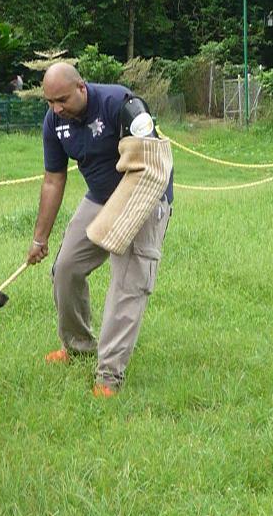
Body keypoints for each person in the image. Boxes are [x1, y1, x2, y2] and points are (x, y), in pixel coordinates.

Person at [26, 62, 173, 397]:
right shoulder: (55, 122)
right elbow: (53, 180)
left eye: (61, 99)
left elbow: (151, 162)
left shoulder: (119, 104)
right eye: (49, 102)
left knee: (127, 285)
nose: (56, 108)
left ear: (81, 87)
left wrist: (130, 214)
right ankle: (78, 346)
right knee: (65, 269)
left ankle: (109, 376)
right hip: (101, 198)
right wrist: (40, 237)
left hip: (143, 198)